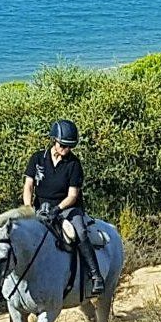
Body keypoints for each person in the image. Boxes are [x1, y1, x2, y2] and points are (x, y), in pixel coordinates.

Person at [24, 120, 105, 296]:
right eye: (63, 145)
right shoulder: (37, 158)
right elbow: (28, 185)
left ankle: (95, 275)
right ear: (54, 140)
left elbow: (72, 195)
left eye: (69, 147)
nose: (65, 149)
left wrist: (57, 209)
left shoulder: (74, 164)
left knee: (80, 232)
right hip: (40, 207)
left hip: (68, 208)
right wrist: (28, 207)